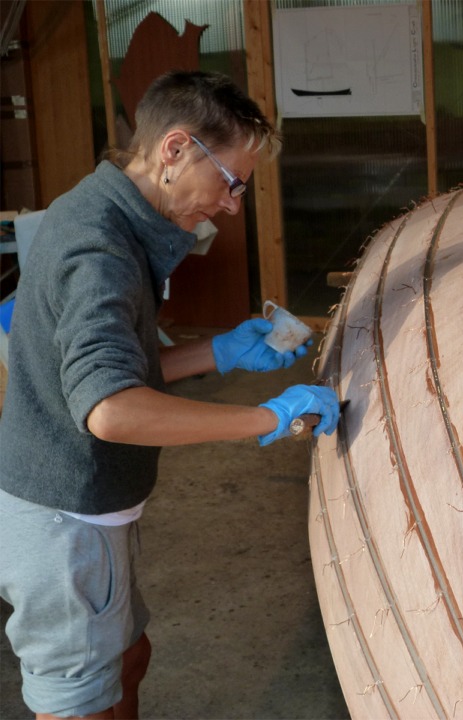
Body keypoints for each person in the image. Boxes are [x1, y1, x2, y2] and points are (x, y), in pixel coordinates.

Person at [0, 70, 340, 719]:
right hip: (62, 519)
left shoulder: (108, 213)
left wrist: (219, 351)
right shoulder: (99, 248)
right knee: (81, 702)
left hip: (88, 507)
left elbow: (112, 369)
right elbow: (109, 408)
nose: (232, 205)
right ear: (175, 149)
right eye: (231, 183)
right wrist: (265, 416)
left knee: (131, 658)